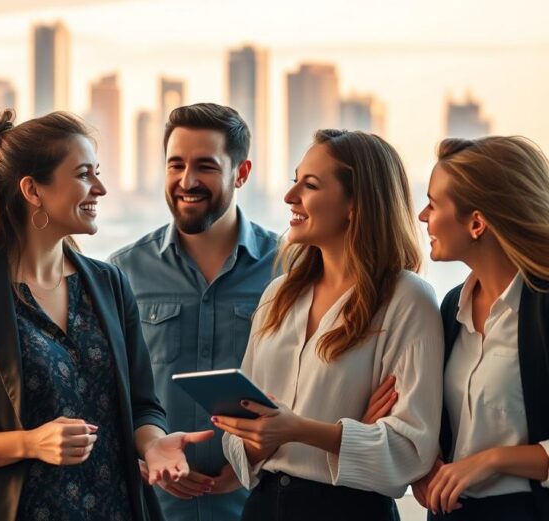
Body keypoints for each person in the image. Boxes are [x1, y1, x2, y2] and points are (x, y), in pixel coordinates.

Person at [0, 109, 212, 520]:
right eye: (84, 174)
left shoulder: (110, 284)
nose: (101, 188)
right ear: (33, 191)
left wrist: (153, 443)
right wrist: (29, 442)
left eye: (97, 172)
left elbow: (143, 405)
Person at [213, 129, 444, 521]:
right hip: (263, 508)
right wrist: (258, 440)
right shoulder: (278, 294)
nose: (290, 197)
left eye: (311, 185)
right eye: (295, 181)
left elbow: (411, 451)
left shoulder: (408, 300)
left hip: (350, 510)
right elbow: (239, 443)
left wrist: (301, 430)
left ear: (356, 203)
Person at [108, 103, 279, 520]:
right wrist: (147, 457)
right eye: (175, 165)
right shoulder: (122, 270)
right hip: (155, 508)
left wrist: (247, 465)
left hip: (258, 505)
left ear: (241, 172)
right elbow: (107, 391)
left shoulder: (289, 268)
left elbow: (307, 386)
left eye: (205, 166)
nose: (187, 181)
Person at [412, 136, 549, 519]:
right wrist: (428, 466)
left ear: (476, 223)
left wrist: (492, 460)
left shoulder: (542, 307)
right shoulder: (450, 306)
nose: (423, 217)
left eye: (433, 204)